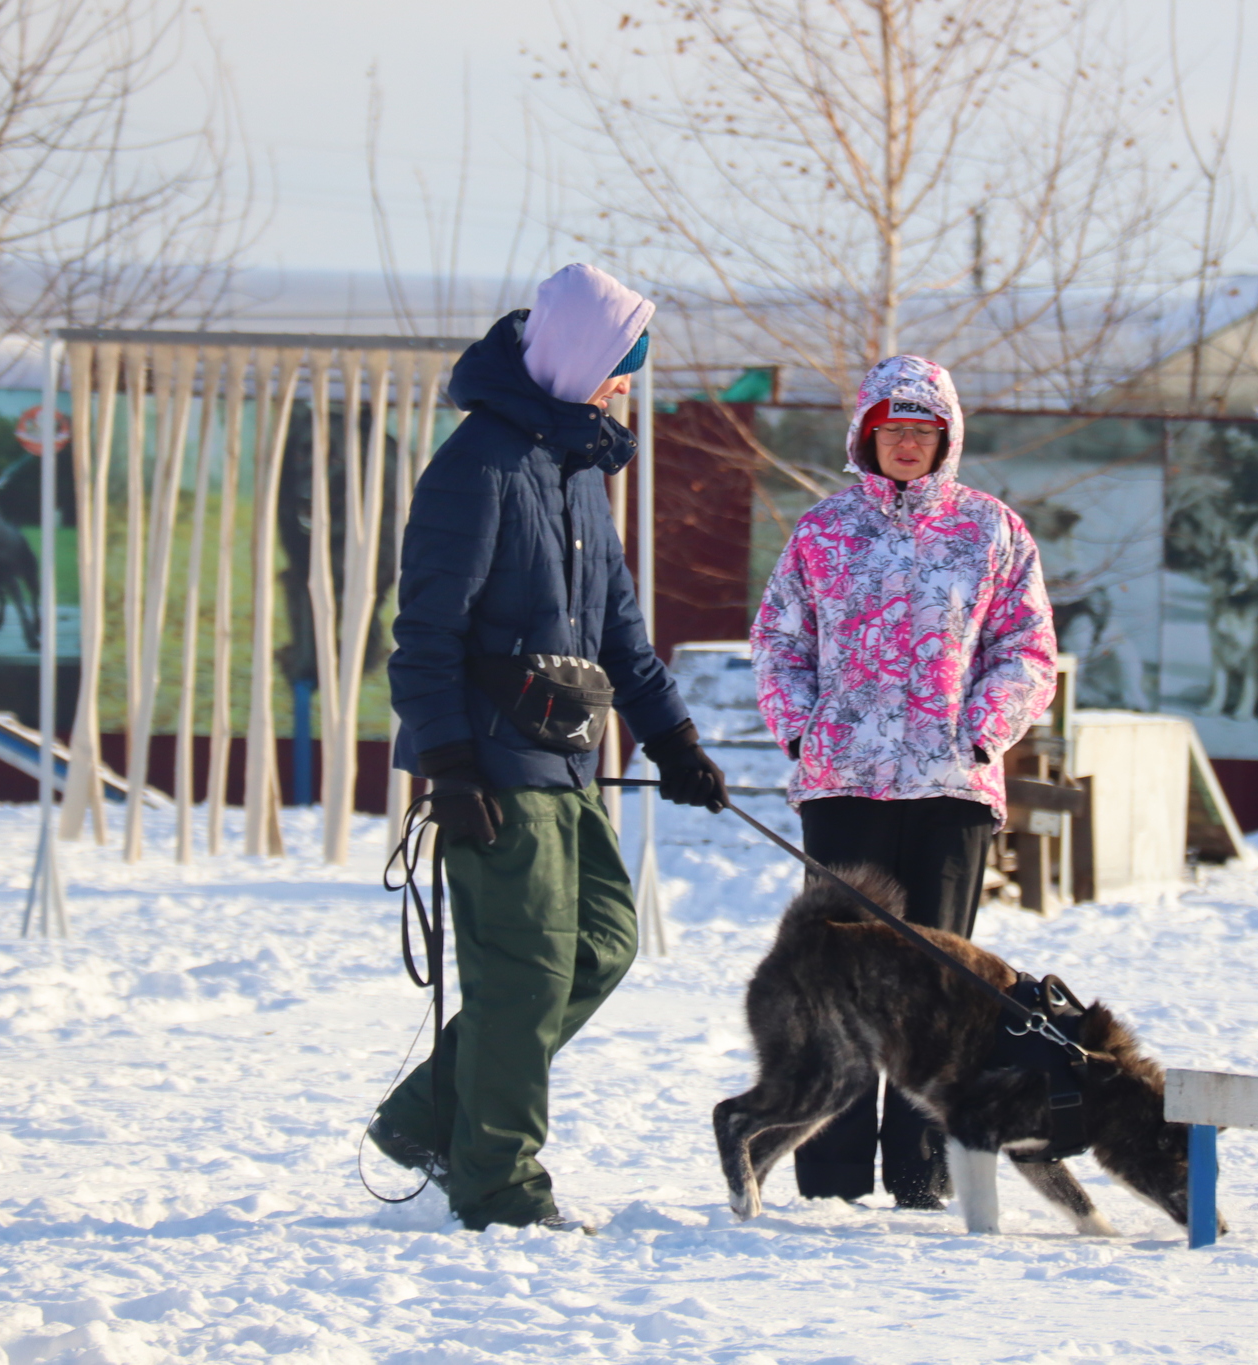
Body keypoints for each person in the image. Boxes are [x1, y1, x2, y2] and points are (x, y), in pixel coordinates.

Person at [371, 263, 728, 1232]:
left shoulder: (573, 468)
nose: (625, 386)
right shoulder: (478, 466)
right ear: (576, 360)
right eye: (620, 368)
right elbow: (425, 634)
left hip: (566, 755)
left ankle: (424, 1115)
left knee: (602, 946)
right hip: (491, 761)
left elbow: (618, 629)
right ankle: (497, 1184)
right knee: (522, 976)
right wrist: (445, 768)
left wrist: (675, 739)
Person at [750, 353, 1057, 1210]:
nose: (909, 445)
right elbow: (779, 638)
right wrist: (805, 726)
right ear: (867, 436)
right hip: (843, 782)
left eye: (925, 431)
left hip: (948, 790)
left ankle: (922, 1175)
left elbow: (1027, 650)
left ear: (947, 437)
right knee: (838, 977)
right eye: (895, 431)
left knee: (939, 985)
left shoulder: (992, 531)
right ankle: (832, 1175)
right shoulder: (823, 532)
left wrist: (981, 730)